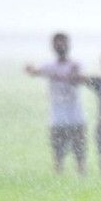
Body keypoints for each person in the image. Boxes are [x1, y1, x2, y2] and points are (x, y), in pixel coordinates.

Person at [25, 33, 87, 175]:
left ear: (68, 45)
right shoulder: (49, 66)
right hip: (57, 119)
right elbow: (35, 72)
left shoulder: (76, 64)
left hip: (76, 118)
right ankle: (59, 180)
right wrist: (30, 69)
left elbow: (80, 78)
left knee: (80, 155)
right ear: (53, 46)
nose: (60, 46)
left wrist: (59, 75)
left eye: (63, 43)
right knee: (58, 156)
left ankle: (82, 180)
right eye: (57, 43)